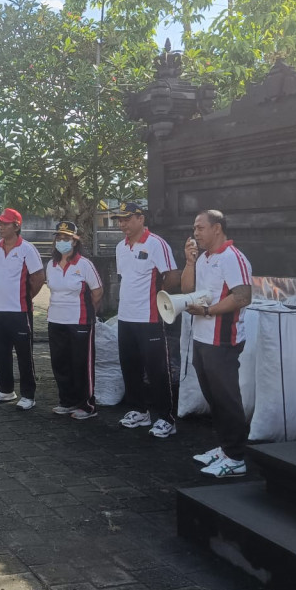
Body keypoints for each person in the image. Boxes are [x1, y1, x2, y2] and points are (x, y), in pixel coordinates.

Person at [182, 209, 253, 478]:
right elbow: (187, 291)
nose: (195, 233)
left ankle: (236, 457)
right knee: (214, 397)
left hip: (223, 339)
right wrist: (189, 263)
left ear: (217, 228)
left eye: (200, 228)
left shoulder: (233, 257)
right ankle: (225, 448)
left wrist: (208, 311)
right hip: (201, 337)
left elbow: (243, 296)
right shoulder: (204, 258)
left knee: (226, 397)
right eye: (194, 228)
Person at [112, 201, 181, 439]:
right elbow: (124, 278)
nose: (123, 224)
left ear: (141, 219)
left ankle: (166, 418)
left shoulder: (156, 243)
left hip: (149, 317)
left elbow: (172, 275)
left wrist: (159, 298)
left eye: (127, 219)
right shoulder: (121, 247)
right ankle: (140, 411)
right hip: (126, 316)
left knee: (157, 369)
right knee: (129, 366)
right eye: (120, 220)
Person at [0, 208, 45, 411]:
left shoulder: (27, 249)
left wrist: (25, 297)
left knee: (24, 354)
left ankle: (28, 395)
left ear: (16, 226)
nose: (0, 227)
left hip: (20, 311)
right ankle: (5, 390)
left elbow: (38, 278)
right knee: (0, 352)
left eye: (5, 223)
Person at [46, 221, 104, 420]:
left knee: (81, 364)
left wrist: (89, 314)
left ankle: (87, 405)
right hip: (55, 320)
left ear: (75, 241)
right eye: (59, 237)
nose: (62, 241)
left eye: (66, 238)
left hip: (79, 321)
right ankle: (67, 401)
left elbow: (97, 292)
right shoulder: (51, 265)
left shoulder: (84, 264)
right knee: (60, 362)